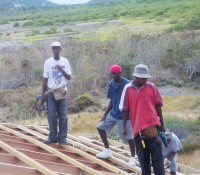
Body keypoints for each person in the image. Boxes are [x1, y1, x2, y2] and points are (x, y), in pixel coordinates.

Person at [120, 64, 166, 175]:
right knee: (144, 162)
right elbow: (125, 109)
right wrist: (124, 126)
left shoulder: (151, 87)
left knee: (158, 162)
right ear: (135, 76)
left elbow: (158, 105)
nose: (145, 79)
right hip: (138, 132)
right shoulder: (128, 89)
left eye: (146, 77)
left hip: (153, 129)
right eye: (143, 77)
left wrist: (162, 125)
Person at [96, 64, 136, 166]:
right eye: (112, 73)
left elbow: (132, 101)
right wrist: (105, 114)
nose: (113, 75)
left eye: (115, 73)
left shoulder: (128, 84)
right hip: (113, 113)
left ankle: (133, 158)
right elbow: (111, 100)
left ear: (120, 73)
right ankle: (107, 149)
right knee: (100, 127)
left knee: (128, 137)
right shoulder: (111, 84)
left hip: (125, 116)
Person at [42, 41, 72, 145]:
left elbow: (69, 77)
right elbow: (45, 79)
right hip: (50, 92)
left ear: (60, 49)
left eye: (57, 48)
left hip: (61, 91)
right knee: (51, 116)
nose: (55, 50)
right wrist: (43, 95)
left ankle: (62, 138)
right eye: (53, 48)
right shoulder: (48, 62)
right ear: (52, 50)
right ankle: (52, 137)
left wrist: (60, 69)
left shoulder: (65, 61)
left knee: (63, 115)